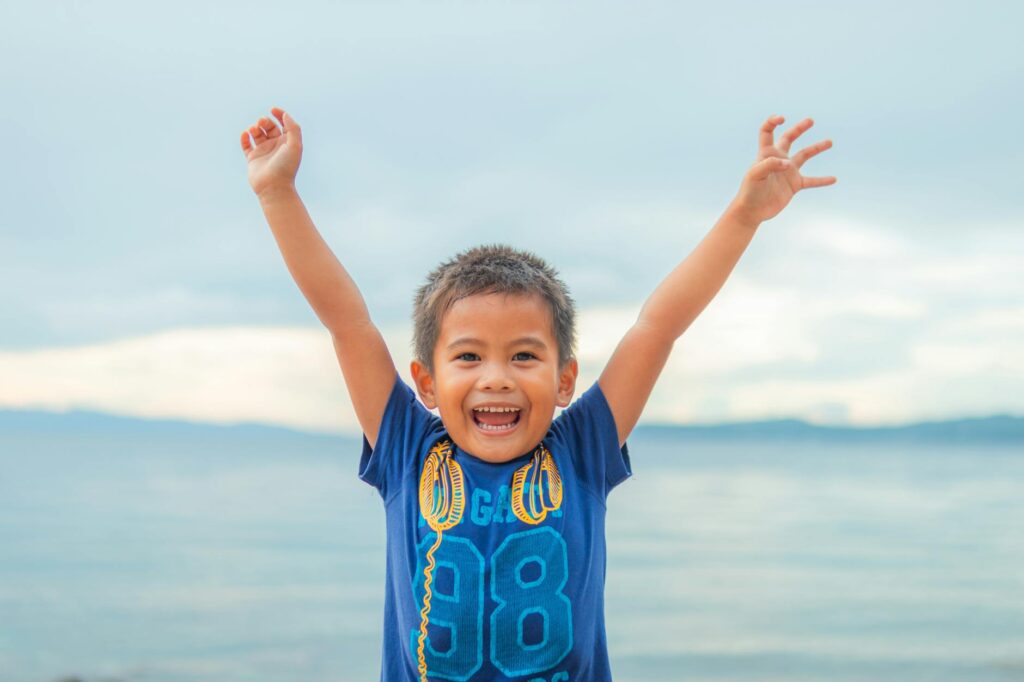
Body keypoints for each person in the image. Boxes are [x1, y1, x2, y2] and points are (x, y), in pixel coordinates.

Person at [240, 107, 835, 681]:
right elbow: (347, 321)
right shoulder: (407, 448)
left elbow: (658, 326)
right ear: (426, 382)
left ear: (564, 381)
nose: (496, 377)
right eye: (468, 356)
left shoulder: (581, 449)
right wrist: (277, 194)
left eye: (524, 355)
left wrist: (742, 216)